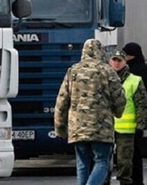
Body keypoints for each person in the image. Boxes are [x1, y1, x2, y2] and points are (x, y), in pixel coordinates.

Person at [54, 39, 126, 185]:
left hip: (78, 128)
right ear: (101, 52)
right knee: (101, 161)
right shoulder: (107, 71)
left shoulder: (73, 71)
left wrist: (60, 127)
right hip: (101, 128)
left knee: (82, 163)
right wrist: (118, 112)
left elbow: (62, 101)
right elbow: (119, 98)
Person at [109, 50, 147, 185]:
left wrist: (140, 125)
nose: (116, 63)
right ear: (110, 61)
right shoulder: (104, 79)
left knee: (124, 163)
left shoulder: (134, 81)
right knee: (104, 163)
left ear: (125, 62)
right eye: (114, 60)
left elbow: (142, 105)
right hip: (106, 129)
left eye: (119, 60)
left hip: (126, 130)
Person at [122, 42, 147, 185]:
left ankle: (135, 181)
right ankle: (138, 181)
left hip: (131, 121)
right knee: (135, 154)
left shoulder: (134, 72)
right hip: (135, 120)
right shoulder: (144, 68)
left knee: (131, 156)